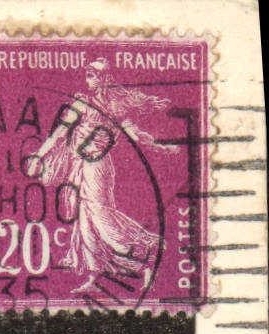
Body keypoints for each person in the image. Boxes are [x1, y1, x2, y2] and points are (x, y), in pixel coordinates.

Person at [30, 58, 182, 295]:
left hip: (98, 166)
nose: (89, 79)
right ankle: (95, 275)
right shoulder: (82, 102)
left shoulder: (116, 108)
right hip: (77, 165)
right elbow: (59, 133)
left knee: (100, 217)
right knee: (84, 222)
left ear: (105, 78)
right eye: (87, 74)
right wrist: (39, 156)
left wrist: (161, 148)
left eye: (93, 75)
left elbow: (134, 134)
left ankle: (145, 257)